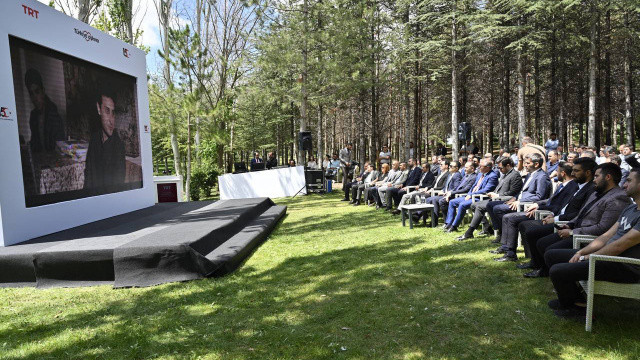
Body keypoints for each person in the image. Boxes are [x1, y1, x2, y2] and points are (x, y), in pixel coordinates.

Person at [545, 168, 640, 319]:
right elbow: (606, 236)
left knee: (558, 270)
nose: (624, 185)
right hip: (608, 258)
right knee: (552, 255)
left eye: (629, 181)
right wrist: (582, 252)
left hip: (626, 266)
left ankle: (577, 310)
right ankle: (575, 301)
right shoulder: (631, 208)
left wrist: (589, 257)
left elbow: (619, 246)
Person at [527, 162, 631, 275]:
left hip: (586, 238)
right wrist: (570, 224)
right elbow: (581, 214)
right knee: (542, 242)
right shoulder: (597, 193)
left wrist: (572, 232)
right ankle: (547, 271)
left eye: (596, 176)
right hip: (576, 231)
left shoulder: (618, 198)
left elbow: (603, 228)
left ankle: (555, 273)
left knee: (549, 250)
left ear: (608, 177)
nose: (594, 180)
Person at [517, 158, 597, 276]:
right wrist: (553, 215)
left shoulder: (590, 189)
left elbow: (579, 213)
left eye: (576, 171)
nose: (573, 173)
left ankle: (542, 269)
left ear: (588, 173)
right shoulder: (579, 185)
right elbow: (564, 205)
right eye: (573, 170)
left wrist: (557, 219)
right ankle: (536, 264)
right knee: (531, 232)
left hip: (569, 223)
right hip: (562, 219)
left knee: (537, 237)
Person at [486, 153, 551, 259]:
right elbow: (523, 192)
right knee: (495, 207)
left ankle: (508, 247)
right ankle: (506, 244)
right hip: (520, 202)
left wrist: (520, 201)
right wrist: (515, 198)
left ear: (536, 164)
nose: (524, 165)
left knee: (501, 211)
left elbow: (539, 197)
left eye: (527, 163)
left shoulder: (542, 177)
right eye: (525, 163)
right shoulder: (531, 174)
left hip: (528, 206)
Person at [456, 157, 523, 240]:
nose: (499, 170)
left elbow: (513, 192)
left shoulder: (515, 175)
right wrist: (493, 193)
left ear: (508, 165)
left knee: (481, 206)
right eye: (498, 168)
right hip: (497, 198)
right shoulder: (505, 174)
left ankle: (470, 232)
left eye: (500, 168)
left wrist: (497, 195)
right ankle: (487, 228)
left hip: (506, 200)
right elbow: (498, 189)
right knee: (474, 205)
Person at [84, 83, 126, 191]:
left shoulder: (118, 147)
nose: (111, 120)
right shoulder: (94, 139)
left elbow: (117, 188)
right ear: (99, 109)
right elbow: (88, 176)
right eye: (107, 111)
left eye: (113, 113)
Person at [442, 159, 499, 233]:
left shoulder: (492, 176)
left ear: (488, 167)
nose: (479, 168)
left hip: (481, 198)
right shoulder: (479, 175)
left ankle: (454, 226)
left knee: (462, 204)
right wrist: (469, 194)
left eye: (481, 166)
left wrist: (472, 195)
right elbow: (473, 187)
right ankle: (449, 223)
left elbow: (486, 190)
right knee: (452, 202)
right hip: (472, 196)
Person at [24, 68, 65, 153]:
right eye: (31, 93)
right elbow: (35, 143)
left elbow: (60, 145)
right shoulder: (33, 116)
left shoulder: (54, 114)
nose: (35, 98)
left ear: (43, 91)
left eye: (37, 92)